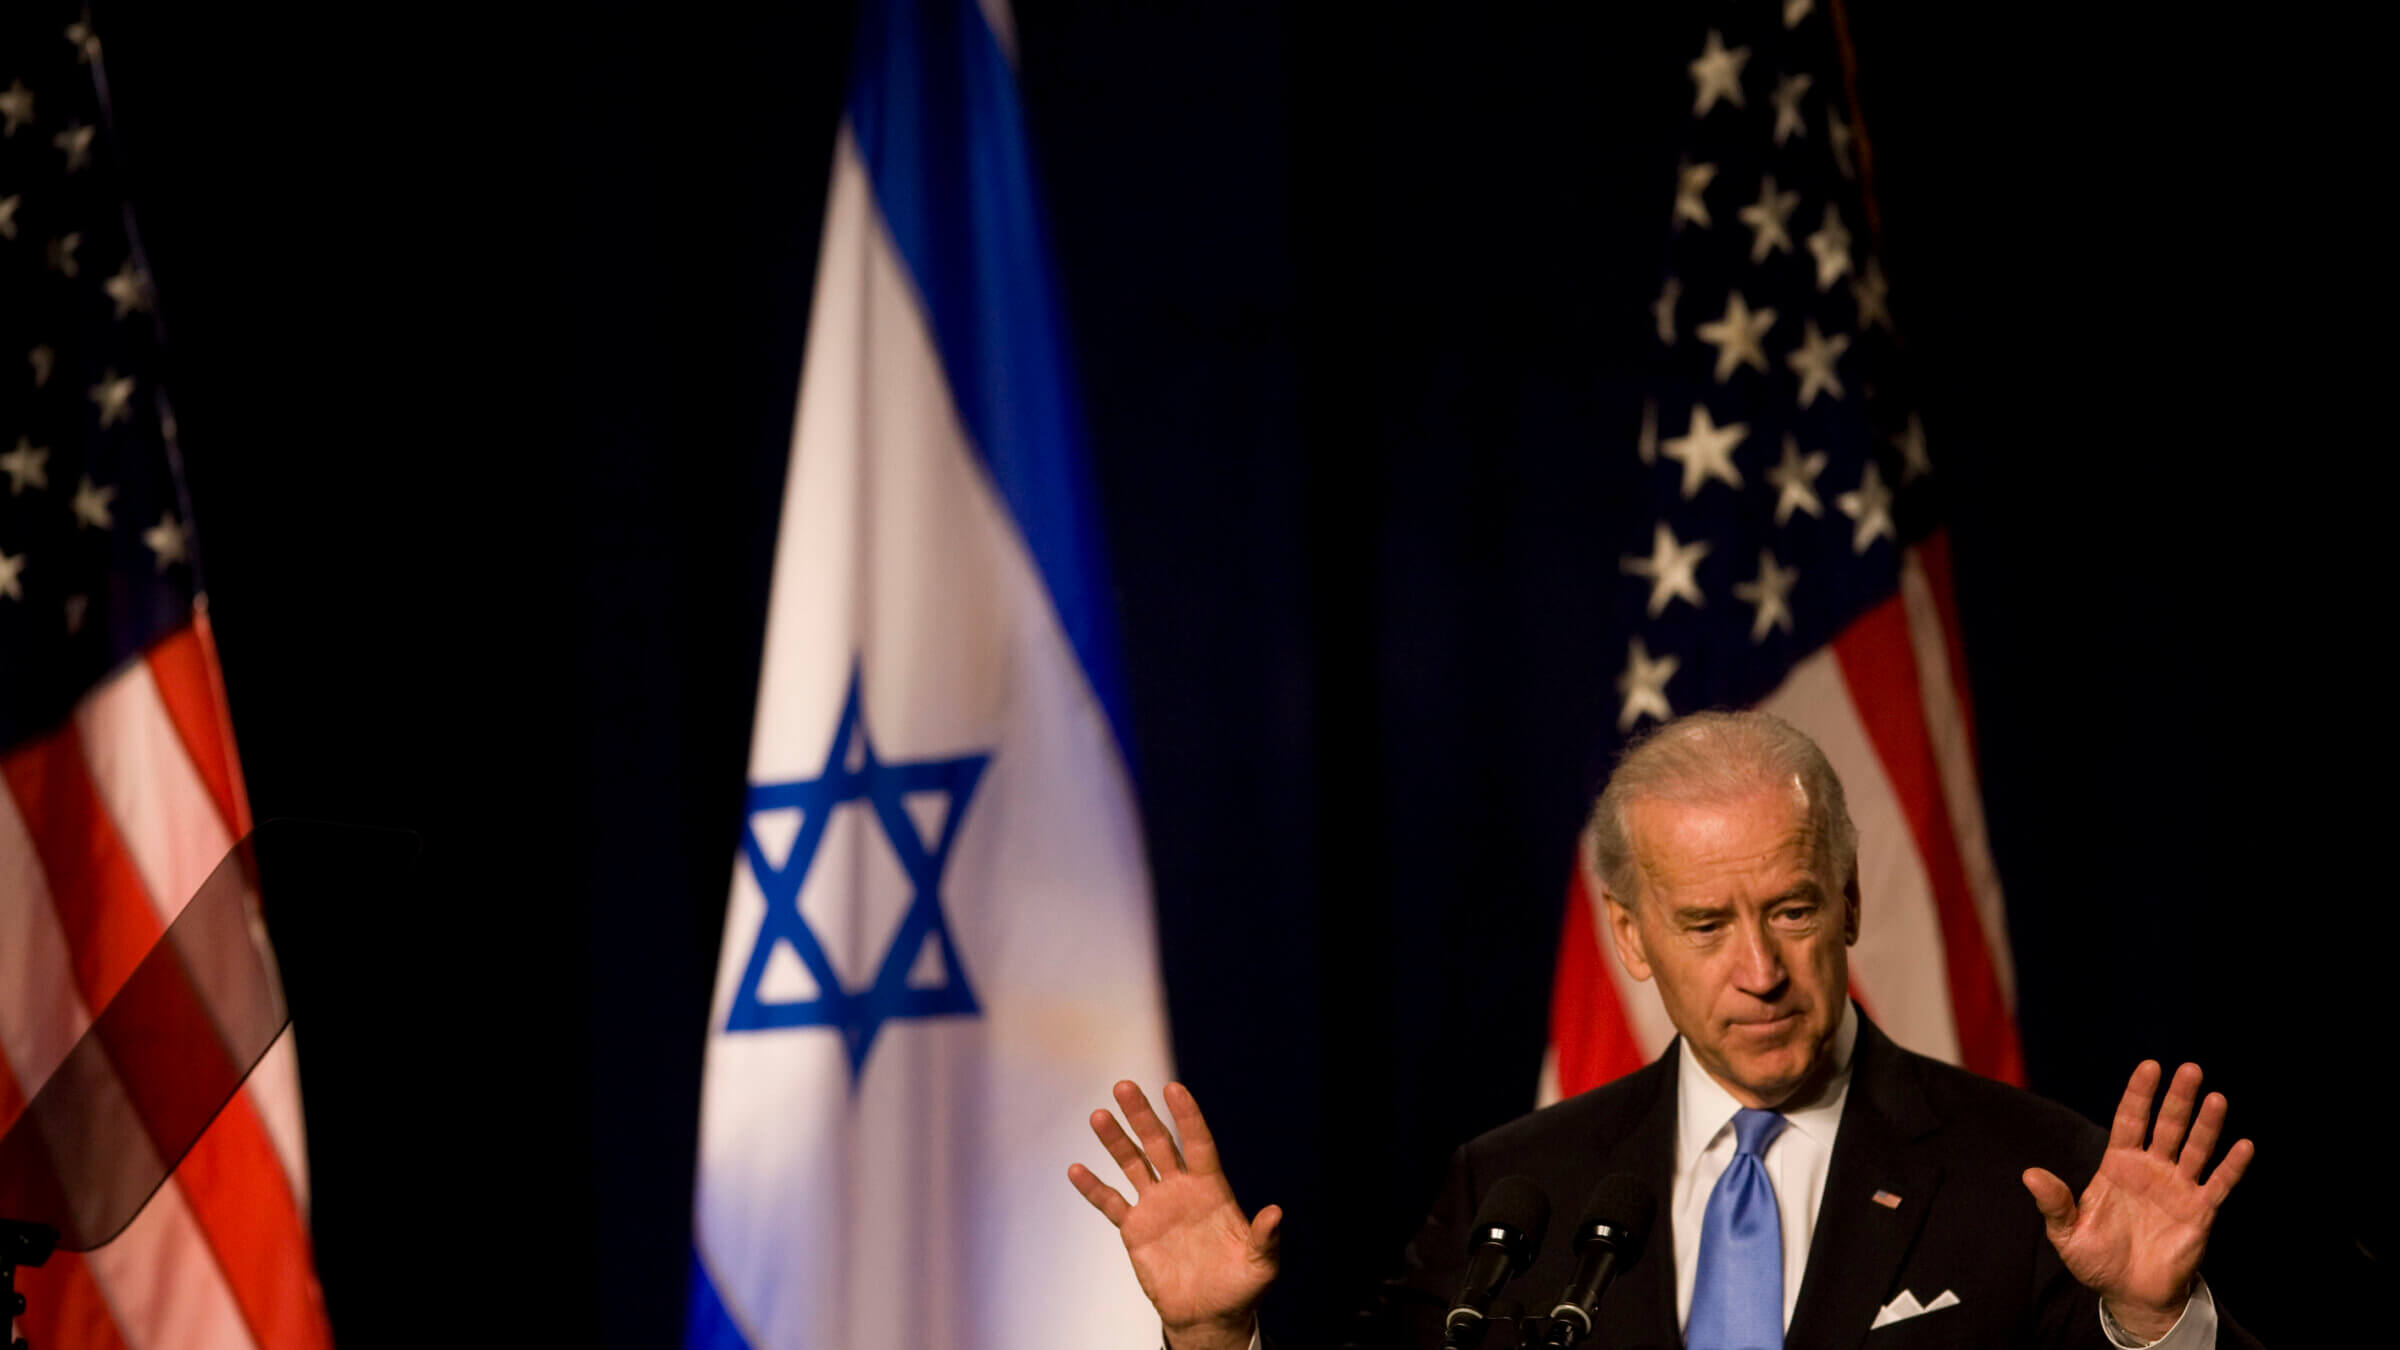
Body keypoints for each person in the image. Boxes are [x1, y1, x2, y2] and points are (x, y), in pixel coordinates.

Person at [1068, 711, 2256, 1350]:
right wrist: (1215, 1337)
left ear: (1848, 899)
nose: (1760, 970)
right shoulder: (1515, 1192)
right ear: (1632, 940)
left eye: (1792, 909)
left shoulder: (2028, 1167)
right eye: (1704, 924)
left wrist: (2155, 1326)